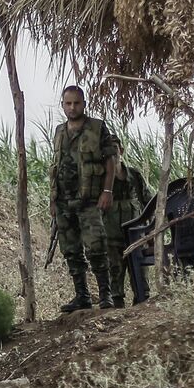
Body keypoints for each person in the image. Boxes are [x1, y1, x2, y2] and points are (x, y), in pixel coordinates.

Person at [49, 85, 127, 312]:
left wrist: (107, 191)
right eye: (68, 103)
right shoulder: (59, 132)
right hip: (64, 202)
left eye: (76, 103)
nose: (72, 107)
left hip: (90, 200)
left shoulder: (97, 128)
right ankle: (81, 296)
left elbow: (111, 160)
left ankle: (106, 296)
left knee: (96, 247)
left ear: (84, 104)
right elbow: (55, 167)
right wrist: (53, 201)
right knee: (71, 250)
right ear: (62, 105)